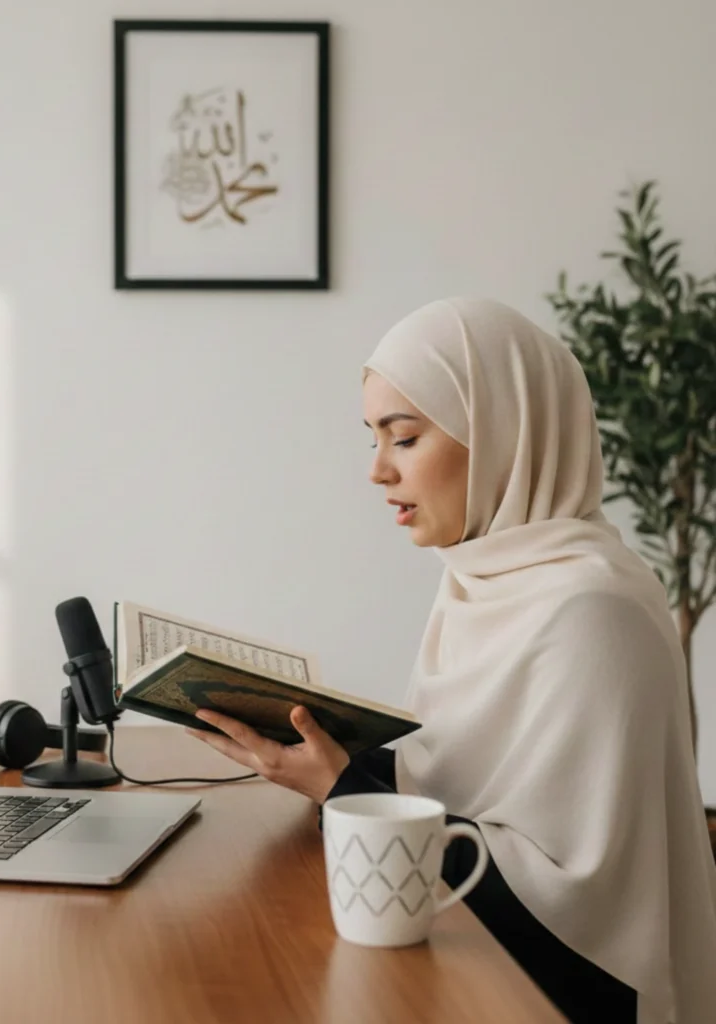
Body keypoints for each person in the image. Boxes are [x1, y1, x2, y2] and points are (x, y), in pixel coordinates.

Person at [186, 298, 716, 1024]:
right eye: (372, 438)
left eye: (404, 438)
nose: (377, 470)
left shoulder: (594, 610)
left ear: (503, 435)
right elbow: (458, 791)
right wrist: (327, 764)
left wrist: (343, 788)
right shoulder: (483, 578)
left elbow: (579, 904)